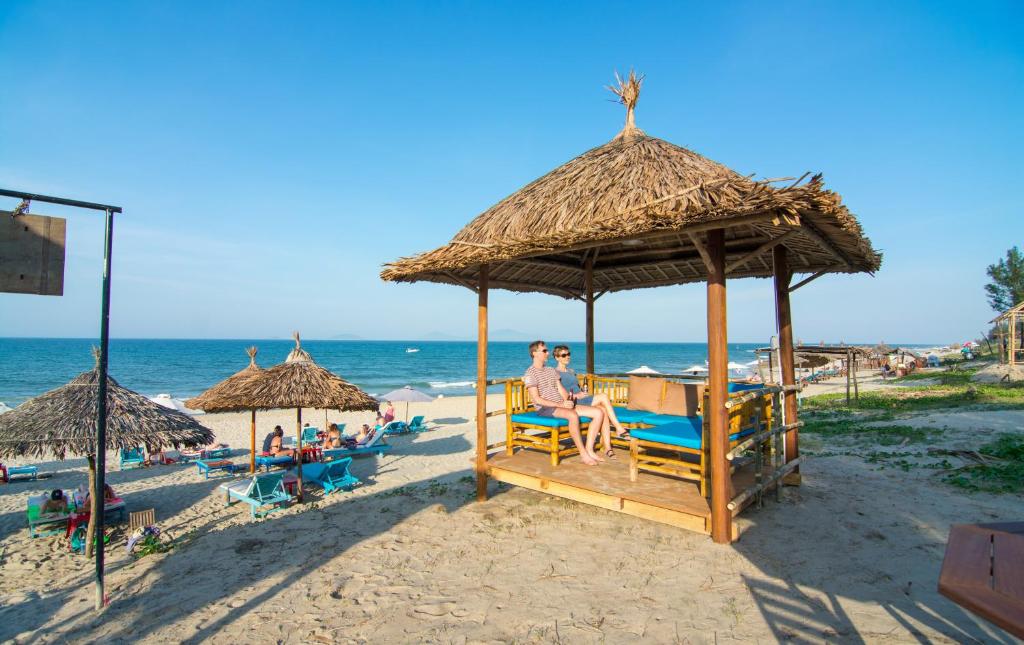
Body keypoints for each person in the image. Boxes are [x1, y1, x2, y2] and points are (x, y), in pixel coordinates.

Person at [523, 340, 605, 466]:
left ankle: (589, 449)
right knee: (572, 415)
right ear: (535, 353)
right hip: (545, 408)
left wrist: (569, 401)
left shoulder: (551, 370)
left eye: (547, 350)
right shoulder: (530, 373)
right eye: (544, 351)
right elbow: (537, 399)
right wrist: (562, 405)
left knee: (598, 412)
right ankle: (583, 453)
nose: (548, 353)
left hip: (561, 404)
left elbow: (562, 392)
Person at [551, 345, 629, 453]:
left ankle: (607, 447)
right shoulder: (554, 373)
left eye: (568, 354)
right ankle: (619, 428)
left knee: (603, 409)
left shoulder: (571, 371)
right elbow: (559, 394)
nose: (567, 357)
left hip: (582, 398)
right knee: (603, 396)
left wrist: (582, 392)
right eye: (564, 355)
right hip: (573, 401)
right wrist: (577, 396)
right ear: (557, 357)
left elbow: (576, 387)